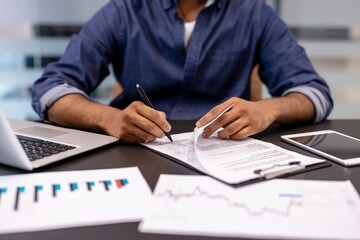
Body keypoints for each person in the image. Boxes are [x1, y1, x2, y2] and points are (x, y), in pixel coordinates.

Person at [31, 0, 333, 143]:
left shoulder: (254, 13)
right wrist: (109, 118)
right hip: (135, 150)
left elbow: (314, 94)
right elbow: (51, 89)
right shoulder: (125, 10)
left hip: (226, 153)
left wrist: (268, 109)